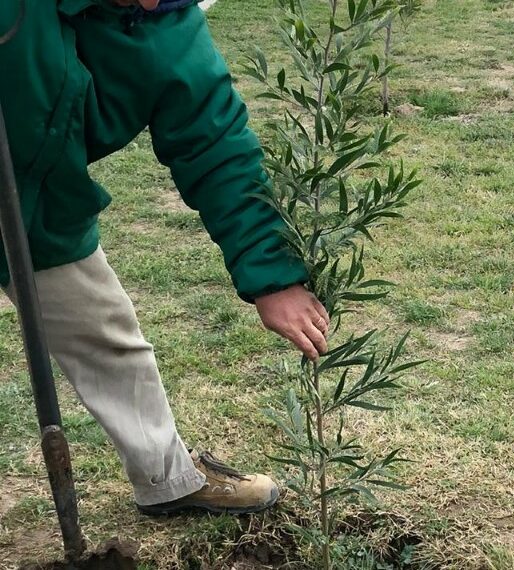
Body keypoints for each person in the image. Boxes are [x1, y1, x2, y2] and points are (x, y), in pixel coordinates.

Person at [0, 0, 330, 515]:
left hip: (40, 205)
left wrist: (274, 280)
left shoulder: (170, 28)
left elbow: (217, 147)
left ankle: (168, 481)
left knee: (108, 334)